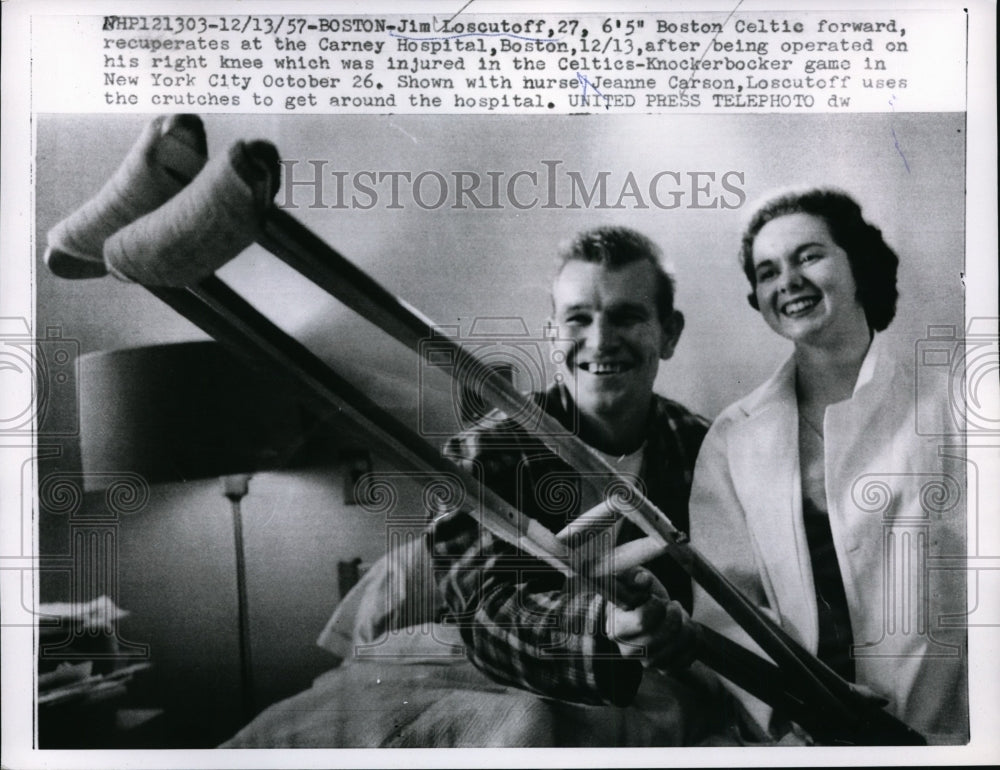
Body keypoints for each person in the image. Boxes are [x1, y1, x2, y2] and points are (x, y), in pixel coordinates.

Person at [689, 188, 968, 743]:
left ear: (859, 264)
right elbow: (729, 609)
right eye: (767, 272)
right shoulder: (732, 439)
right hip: (798, 736)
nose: (787, 281)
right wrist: (790, 722)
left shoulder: (956, 408)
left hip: (948, 732)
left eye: (808, 256)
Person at [431, 226, 708, 706]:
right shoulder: (480, 452)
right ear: (553, 333)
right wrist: (606, 626)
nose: (600, 342)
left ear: (669, 333)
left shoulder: (706, 448)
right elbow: (483, 613)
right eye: (578, 318)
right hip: (514, 692)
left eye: (627, 317)